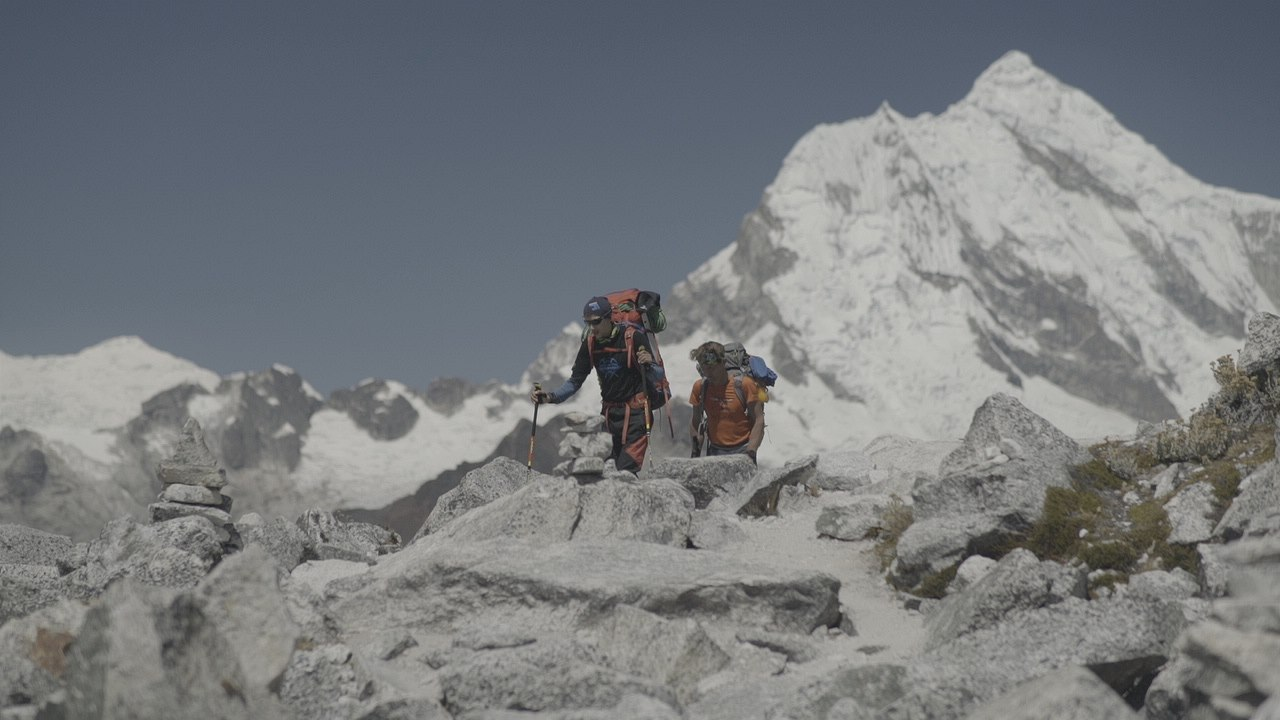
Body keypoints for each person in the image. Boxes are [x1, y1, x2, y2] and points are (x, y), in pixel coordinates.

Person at [531, 295, 664, 473]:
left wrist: (649, 363)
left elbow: (657, 375)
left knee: (626, 470)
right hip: (608, 417)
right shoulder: (590, 344)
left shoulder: (633, 338)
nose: (592, 328)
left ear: (609, 317)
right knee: (607, 471)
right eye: (588, 323)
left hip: (637, 415)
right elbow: (574, 382)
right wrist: (549, 398)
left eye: (596, 322)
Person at [689, 341, 766, 463]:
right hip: (714, 451)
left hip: (743, 450)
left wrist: (751, 451)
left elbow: (758, 419)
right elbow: (696, 421)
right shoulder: (700, 387)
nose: (708, 373)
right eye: (704, 368)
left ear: (723, 363)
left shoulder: (744, 385)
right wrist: (695, 452)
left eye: (712, 367)